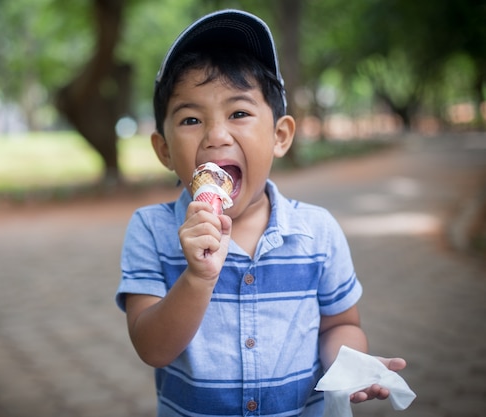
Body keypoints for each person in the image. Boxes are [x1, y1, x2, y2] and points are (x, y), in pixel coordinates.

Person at [116, 9, 406, 416]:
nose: (216, 135)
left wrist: (350, 365)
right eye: (191, 119)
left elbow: (339, 324)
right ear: (164, 149)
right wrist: (198, 278)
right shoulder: (151, 229)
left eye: (239, 113)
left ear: (280, 136)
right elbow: (152, 348)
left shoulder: (316, 232)